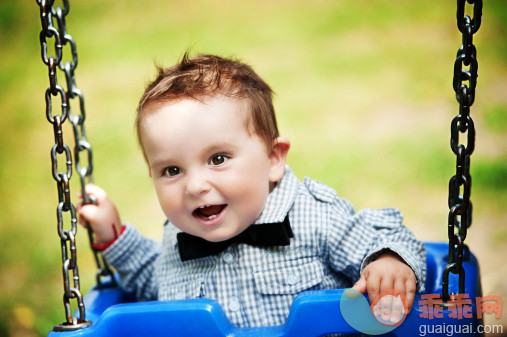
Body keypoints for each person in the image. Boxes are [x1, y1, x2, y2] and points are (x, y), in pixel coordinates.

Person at [77, 54, 426, 328]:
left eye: (217, 159)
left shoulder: (314, 216)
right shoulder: (178, 237)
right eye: (172, 170)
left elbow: (387, 236)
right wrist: (112, 236)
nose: (195, 186)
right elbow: (151, 282)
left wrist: (389, 262)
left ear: (273, 159)